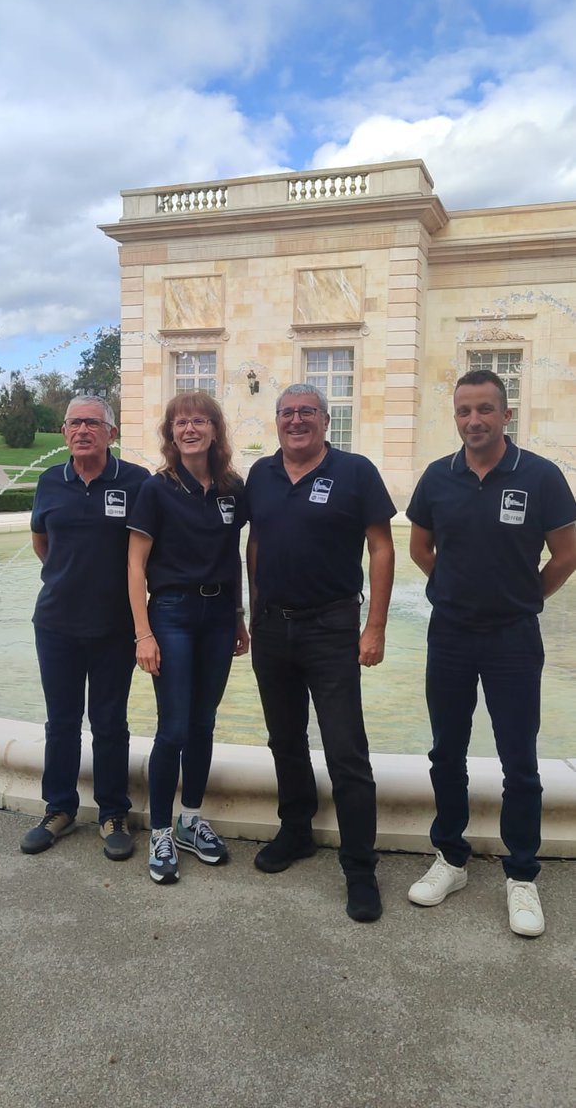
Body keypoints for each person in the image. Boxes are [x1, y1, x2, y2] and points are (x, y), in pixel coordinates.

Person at [406, 370, 576, 937]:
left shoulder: (540, 476)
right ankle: (450, 858)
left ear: (506, 414)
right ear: (455, 417)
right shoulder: (438, 476)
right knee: (445, 752)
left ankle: (521, 874)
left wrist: (526, 597)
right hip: (450, 634)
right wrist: (453, 588)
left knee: (519, 760)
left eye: (484, 409)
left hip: (513, 638)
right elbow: (420, 547)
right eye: (464, 411)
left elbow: (567, 553)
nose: (473, 420)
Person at [245, 384, 396, 923]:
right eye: (286, 413)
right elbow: (255, 542)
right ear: (276, 421)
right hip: (271, 626)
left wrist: (375, 626)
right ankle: (297, 831)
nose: (296, 420)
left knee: (345, 749)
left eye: (306, 412)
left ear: (325, 420)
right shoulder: (261, 474)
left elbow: (382, 546)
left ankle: (359, 867)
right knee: (284, 739)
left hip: (332, 626)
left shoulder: (355, 472)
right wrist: (251, 610)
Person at [127, 393, 250, 885]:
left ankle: (190, 821)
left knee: (203, 723)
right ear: (170, 433)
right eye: (181, 422)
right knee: (174, 727)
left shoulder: (231, 489)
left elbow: (234, 554)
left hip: (218, 616)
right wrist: (143, 633)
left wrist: (238, 616)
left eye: (200, 420)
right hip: (172, 613)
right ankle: (160, 830)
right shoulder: (156, 490)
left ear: (215, 430)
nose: (190, 429)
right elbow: (135, 564)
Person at [20, 396, 149, 861]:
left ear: (111, 433)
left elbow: (145, 552)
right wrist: (65, 576)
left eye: (92, 423)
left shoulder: (135, 481)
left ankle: (113, 812)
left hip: (115, 626)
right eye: (74, 423)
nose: (82, 431)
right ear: (64, 431)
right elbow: (41, 541)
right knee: (62, 721)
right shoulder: (50, 481)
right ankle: (59, 808)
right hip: (56, 624)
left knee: (110, 723)